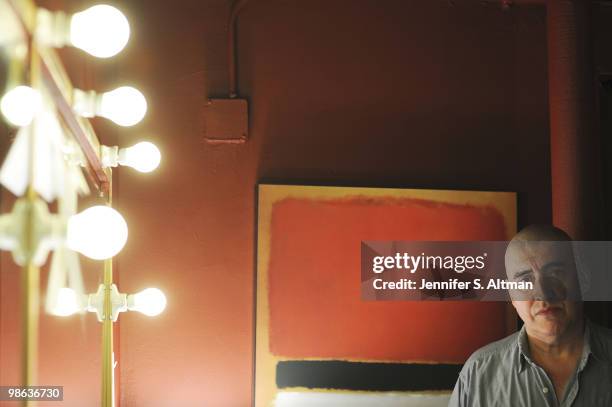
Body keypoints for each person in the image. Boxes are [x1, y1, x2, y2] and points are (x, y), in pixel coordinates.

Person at [449, 225, 612, 407]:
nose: (543, 293)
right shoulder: (478, 373)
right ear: (511, 296)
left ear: (582, 279)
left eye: (555, 273)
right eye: (525, 280)